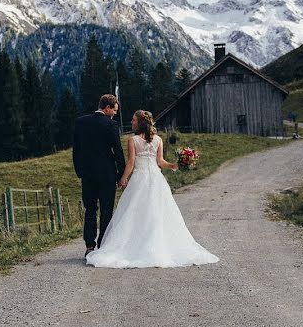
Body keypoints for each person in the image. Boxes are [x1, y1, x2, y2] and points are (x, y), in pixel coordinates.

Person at [86, 110, 219, 268]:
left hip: (140, 179)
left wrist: (123, 178)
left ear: (140, 122)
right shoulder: (158, 140)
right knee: (155, 212)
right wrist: (173, 166)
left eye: (134, 120)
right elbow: (161, 162)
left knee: (135, 212)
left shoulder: (133, 140)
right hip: (156, 179)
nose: (132, 122)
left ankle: (138, 245)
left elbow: (131, 163)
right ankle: (155, 246)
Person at [72, 94, 126, 258]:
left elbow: (76, 150)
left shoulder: (81, 122)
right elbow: (118, 151)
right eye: (114, 110)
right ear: (107, 107)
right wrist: (121, 175)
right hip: (107, 174)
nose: (115, 113)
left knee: (90, 209)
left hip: (87, 174)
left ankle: (89, 245)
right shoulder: (111, 124)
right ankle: (103, 244)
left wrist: (79, 171)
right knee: (106, 210)